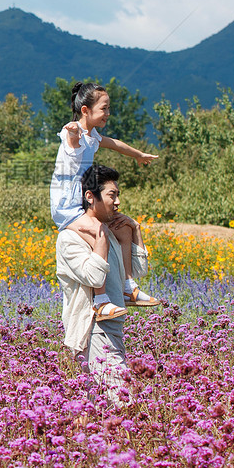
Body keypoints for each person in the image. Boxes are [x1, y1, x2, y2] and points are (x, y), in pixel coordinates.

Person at [50, 80, 160, 322]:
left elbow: (114, 144)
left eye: (109, 108)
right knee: (100, 232)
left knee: (122, 228)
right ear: (85, 111)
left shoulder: (93, 135)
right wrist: (73, 134)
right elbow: (73, 143)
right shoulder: (73, 133)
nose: (108, 114)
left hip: (82, 200)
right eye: (104, 109)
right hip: (66, 206)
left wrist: (139, 155)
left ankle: (128, 286)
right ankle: (100, 302)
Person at [56, 164, 148, 407]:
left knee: (100, 405)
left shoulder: (108, 231)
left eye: (118, 195)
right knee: (123, 402)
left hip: (113, 325)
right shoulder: (70, 237)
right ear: (90, 196)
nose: (117, 202)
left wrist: (134, 230)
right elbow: (94, 277)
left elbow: (137, 273)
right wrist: (100, 239)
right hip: (94, 328)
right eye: (111, 195)